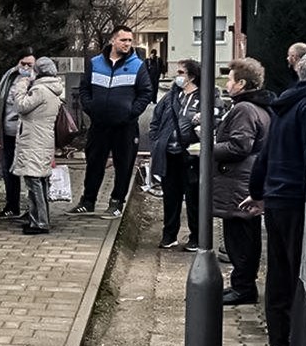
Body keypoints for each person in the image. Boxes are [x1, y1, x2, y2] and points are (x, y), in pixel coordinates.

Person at [241, 53, 306, 346]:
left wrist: (258, 193)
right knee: (298, 276)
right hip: (298, 200)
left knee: (279, 275)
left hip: (278, 199)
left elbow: (266, 155)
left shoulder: (284, 107)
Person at [69, 25, 154, 219]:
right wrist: (90, 108)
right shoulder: (95, 63)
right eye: (123, 40)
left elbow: (146, 92)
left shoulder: (137, 65)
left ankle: (116, 203)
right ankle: (88, 201)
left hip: (125, 126)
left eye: (130, 40)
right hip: (99, 124)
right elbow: (84, 88)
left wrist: (131, 113)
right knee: (94, 163)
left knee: (123, 165)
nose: (127, 44)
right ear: (113, 40)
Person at [213, 57, 272, 304]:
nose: (227, 83)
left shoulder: (244, 109)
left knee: (240, 237)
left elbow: (240, 145)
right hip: (243, 179)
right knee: (240, 235)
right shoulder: (255, 107)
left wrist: (209, 148)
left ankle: (244, 288)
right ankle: (240, 284)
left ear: (242, 83)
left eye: (230, 79)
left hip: (239, 181)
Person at [149, 59, 209, 250]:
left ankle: (196, 236)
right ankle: (169, 234)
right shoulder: (171, 97)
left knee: (193, 198)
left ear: (192, 75)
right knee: (170, 196)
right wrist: (156, 140)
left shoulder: (205, 96)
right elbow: (156, 120)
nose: (177, 76)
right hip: (169, 153)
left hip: (191, 154)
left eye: (181, 72)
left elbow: (215, 118)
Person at [10, 57, 64, 234]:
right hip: (43, 139)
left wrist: (21, 84)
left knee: (34, 180)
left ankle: (40, 222)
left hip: (34, 140)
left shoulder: (40, 89)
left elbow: (21, 106)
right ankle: (38, 218)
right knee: (40, 180)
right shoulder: (53, 89)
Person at [0, 52, 35, 220]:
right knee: (9, 170)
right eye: (23, 63)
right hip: (8, 131)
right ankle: (11, 205)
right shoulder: (9, 77)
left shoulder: (37, 81)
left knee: (30, 171)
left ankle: (33, 208)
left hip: (27, 132)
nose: (25, 68)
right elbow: (0, 100)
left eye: (29, 65)